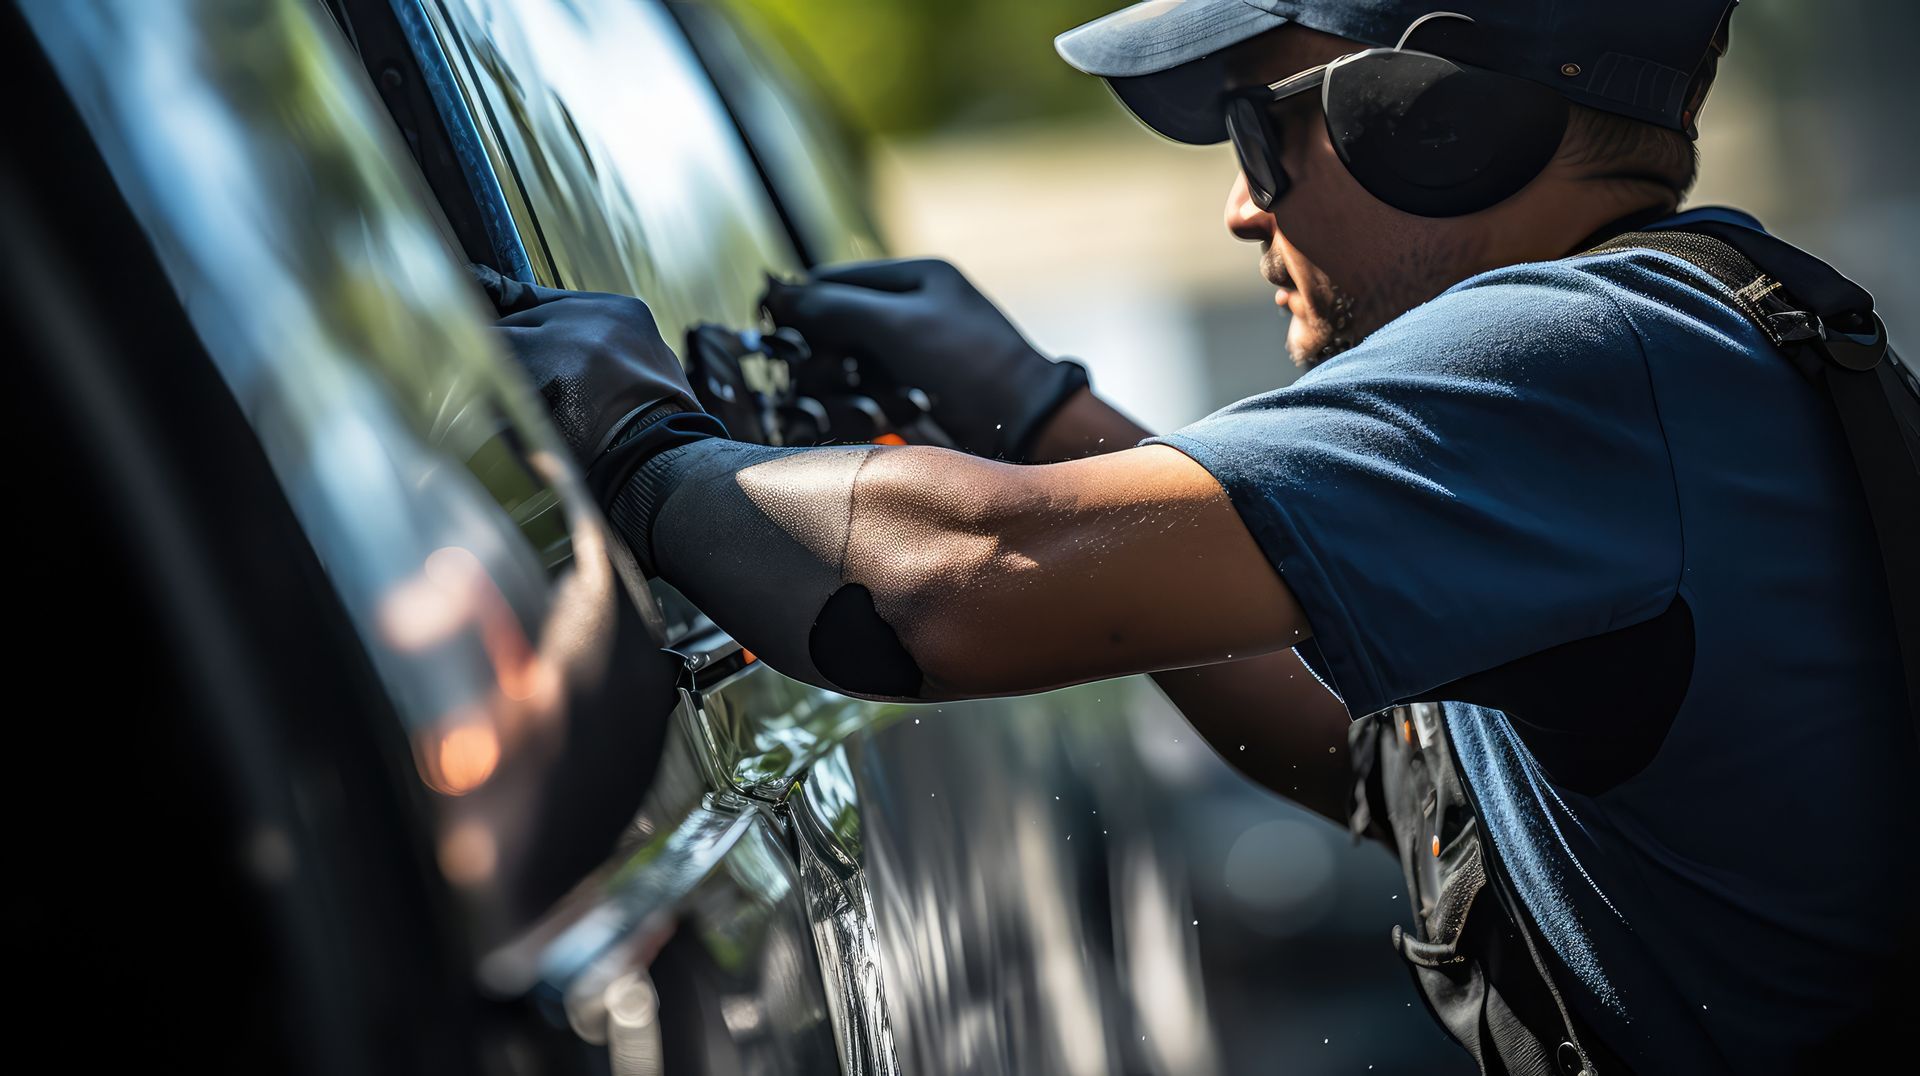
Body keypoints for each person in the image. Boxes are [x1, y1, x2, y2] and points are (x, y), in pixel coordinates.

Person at [476, 1, 1914, 1071]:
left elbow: (958, 592)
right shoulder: (1670, 354)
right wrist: (1049, 418)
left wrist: (634, 448)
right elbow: (1383, 769)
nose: (1239, 204)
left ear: (1433, 112)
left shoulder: (1579, 354)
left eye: (1255, 125)